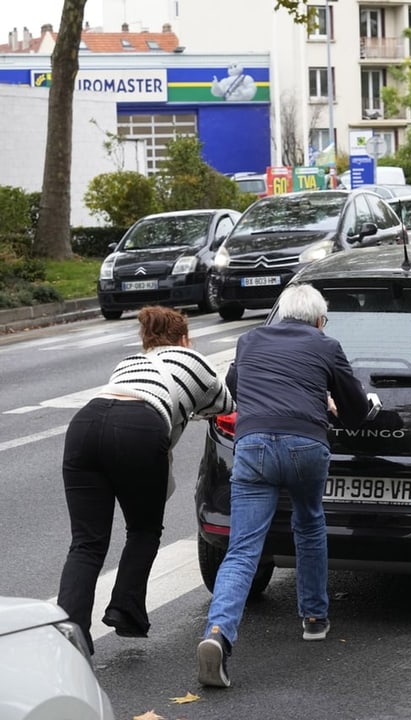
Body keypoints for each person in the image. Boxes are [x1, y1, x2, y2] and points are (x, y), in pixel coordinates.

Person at [197, 283, 370, 688]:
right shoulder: (326, 345)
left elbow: (235, 391)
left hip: (253, 446)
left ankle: (218, 634)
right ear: (319, 320)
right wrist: (327, 402)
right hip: (306, 445)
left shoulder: (248, 341)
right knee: (308, 523)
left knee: (242, 549)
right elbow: (356, 410)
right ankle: (313, 617)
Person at [57, 306, 235, 654]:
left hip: (84, 425)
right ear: (184, 338)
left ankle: (69, 635)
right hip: (138, 428)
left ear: (146, 339)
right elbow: (226, 403)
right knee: (143, 529)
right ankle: (125, 609)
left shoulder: (128, 364)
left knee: (86, 543)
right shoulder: (193, 360)